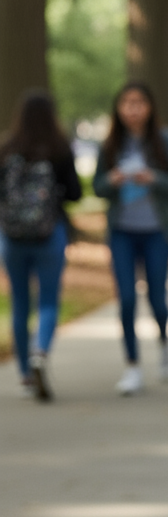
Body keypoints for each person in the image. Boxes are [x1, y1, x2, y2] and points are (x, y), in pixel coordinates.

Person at [94, 83, 168, 395]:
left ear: (150, 107)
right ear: (118, 108)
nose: (133, 109)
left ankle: (163, 340)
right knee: (127, 299)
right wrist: (112, 179)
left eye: (139, 102)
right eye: (127, 103)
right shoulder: (109, 144)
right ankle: (132, 364)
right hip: (121, 232)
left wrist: (154, 178)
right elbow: (97, 187)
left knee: (157, 298)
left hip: (155, 232)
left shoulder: (166, 141)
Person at [0, 91, 82, 401]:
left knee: (20, 304)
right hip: (50, 235)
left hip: (11, 237)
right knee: (48, 300)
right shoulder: (59, 149)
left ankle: (24, 374)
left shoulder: (7, 149)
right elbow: (74, 193)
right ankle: (40, 352)